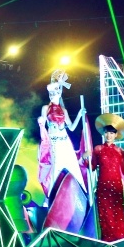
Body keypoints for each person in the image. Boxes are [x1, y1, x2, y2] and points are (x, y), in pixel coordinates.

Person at [37, 71, 86, 200]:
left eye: (56, 92)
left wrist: (79, 115)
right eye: (51, 93)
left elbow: (71, 127)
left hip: (64, 142)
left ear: (59, 93)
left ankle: (76, 195)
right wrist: (41, 123)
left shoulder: (63, 110)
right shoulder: (46, 108)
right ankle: (54, 197)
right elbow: (43, 124)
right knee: (56, 168)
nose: (53, 94)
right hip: (53, 142)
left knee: (71, 165)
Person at [91, 124, 124, 241]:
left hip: (116, 188)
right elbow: (92, 167)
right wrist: (85, 158)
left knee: (118, 215)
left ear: (116, 135)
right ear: (103, 134)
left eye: (111, 133)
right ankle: (106, 242)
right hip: (103, 186)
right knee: (105, 215)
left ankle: (119, 241)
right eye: (106, 133)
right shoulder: (98, 149)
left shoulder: (120, 151)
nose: (108, 135)